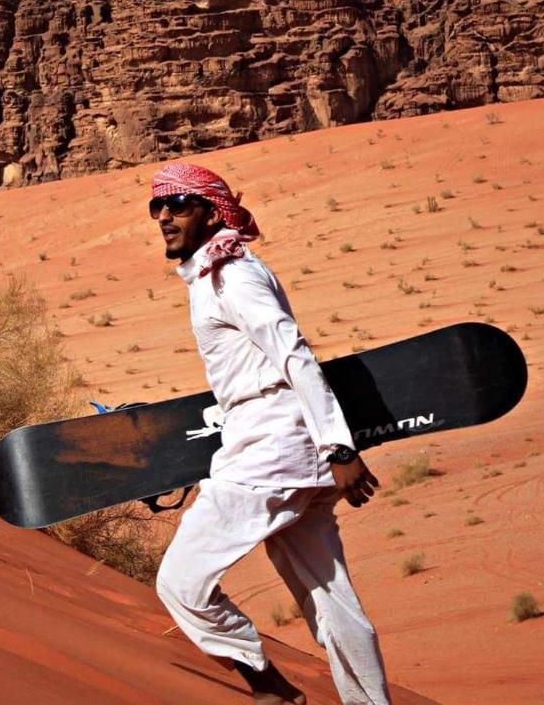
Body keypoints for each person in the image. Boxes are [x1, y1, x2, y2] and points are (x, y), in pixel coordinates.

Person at [149, 161, 391, 705]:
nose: (164, 217)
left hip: (271, 454)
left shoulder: (234, 275)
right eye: (156, 208)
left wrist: (339, 445)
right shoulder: (216, 272)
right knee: (331, 600)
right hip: (278, 445)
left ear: (211, 214)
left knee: (181, 582)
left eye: (178, 206)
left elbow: (292, 353)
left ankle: (271, 690)